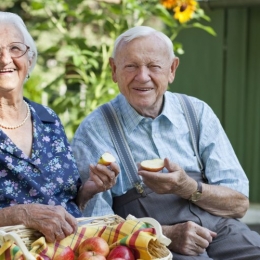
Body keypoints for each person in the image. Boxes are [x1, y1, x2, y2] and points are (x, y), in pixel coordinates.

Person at [71, 25, 260, 259]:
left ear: (172, 69)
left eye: (153, 66)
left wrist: (188, 187)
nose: (142, 76)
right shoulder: (96, 129)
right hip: (155, 244)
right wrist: (164, 233)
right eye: (131, 66)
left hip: (221, 231)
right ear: (113, 69)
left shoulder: (197, 113)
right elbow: (94, 225)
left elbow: (239, 204)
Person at [0, 11, 119, 243]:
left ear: (29, 59)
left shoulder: (48, 119)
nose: (5, 59)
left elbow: (67, 202)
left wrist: (89, 189)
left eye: (15, 48)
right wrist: (21, 214)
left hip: (74, 248)